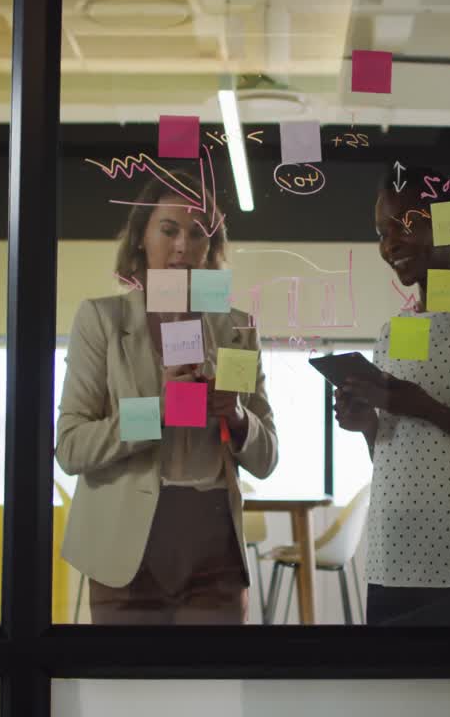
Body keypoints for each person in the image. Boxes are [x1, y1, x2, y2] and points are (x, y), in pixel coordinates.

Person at [55, 171, 278, 625]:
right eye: (169, 230)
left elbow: (267, 457)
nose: (182, 246)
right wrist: (160, 408)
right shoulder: (101, 319)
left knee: (211, 694)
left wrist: (236, 418)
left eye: (198, 234)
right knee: (127, 696)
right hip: (124, 550)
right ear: (140, 237)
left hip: (213, 547)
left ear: (211, 249)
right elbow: (71, 447)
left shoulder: (236, 328)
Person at [334, 165, 450, 625]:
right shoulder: (394, 332)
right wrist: (368, 427)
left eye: (405, 224)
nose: (390, 244)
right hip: (393, 557)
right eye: (382, 233)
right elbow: (405, 456)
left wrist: (424, 407)